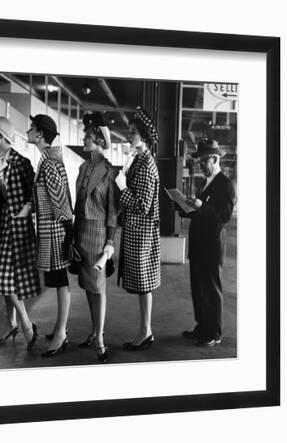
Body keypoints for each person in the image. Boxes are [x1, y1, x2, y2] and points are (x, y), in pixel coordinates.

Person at [0, 117, 41, 349]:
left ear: (2, 136)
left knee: (7, 279)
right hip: (4, 227)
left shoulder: (22, 163)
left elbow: (35, 196)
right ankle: (11, 324)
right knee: (6, 279)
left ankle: (25, 323)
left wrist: (27, 210)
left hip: (21, 228)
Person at [21, 114, 74, 357]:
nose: (29, 131)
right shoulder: (48, 159)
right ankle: (59, 328)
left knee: (60, 281)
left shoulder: (49, 162)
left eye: (32, 128)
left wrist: (67, 231)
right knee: (57, 281)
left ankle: (62, 333)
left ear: (40, 134)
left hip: (54, 230)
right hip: (52, 229)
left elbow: (60, 201)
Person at [176, 138, 236, 346]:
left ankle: (214, 332)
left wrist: (201, 206)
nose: (200, 165)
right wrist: (184, 206)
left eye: (203, 161)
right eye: (199, 161)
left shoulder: (226, 185)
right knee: (198, 288)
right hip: (198, 245)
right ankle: (202, 326)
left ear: (215, 158)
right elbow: (201, 213)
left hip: (211, 246)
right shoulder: (205, 182)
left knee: (211, 290)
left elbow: (223, 216)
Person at [73, 112, 120, 363]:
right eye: (86, 135)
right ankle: (94, 330)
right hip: (80, 230)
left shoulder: (109, 171)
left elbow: (113, 210)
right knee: (87, 287)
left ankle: (100, 339)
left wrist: (110, 242)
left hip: (99, 233)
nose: (84, 138)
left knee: (98, 287)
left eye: (89, 136)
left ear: (101, 141)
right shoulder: (83, 166)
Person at [114, 106, 161, 351]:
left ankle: (145, 331)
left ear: (143, 137)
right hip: (137, 231)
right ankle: (145, 330)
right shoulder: (139, 160)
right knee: (143, 284)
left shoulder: (146, 165)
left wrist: (123, 187)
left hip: (142, 232)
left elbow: (142, 205)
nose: (128, 136)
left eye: (132, 133)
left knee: (144, 284)